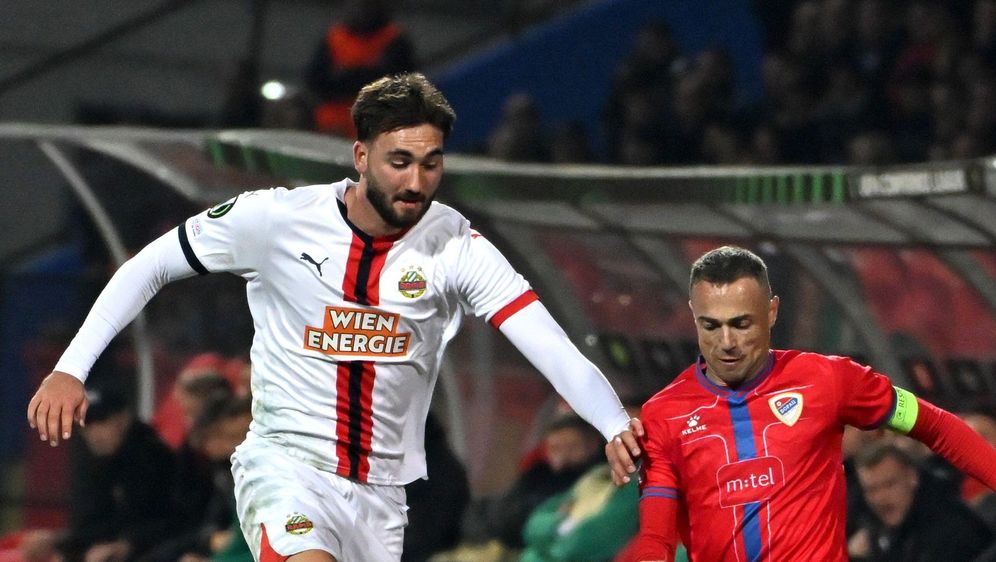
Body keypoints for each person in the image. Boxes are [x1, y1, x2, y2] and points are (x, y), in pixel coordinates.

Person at [26, 72, 643, 562]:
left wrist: (614, 424)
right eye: (399, 161)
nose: (416, 181)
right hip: (287, 467)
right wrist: (71, 368)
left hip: (383, 495)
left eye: (431, 163)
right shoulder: (275, 220)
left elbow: (548, 344)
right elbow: (148, 266)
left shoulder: (457, 246)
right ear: (361, 155)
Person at [630, 245, 996, 561]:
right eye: (710, 325)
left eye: (741, 324)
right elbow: (656, 535)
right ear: (693, 314)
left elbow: (934, 425)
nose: (726, 342)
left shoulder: (828, 380)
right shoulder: (665, 414)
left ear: (771, 312)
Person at [848, 441, 993, 561]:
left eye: (889, 484)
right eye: (871, 489)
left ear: (912, 477)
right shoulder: (874, 531)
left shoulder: (951, 528)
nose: (880, 498)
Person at [304, 0, 415, 138]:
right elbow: (316, 80)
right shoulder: (334, 37)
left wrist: (344, 77)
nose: (359, 9)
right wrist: (363, 75)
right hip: (333, 125)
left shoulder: (394, 38)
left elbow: (397, 82)